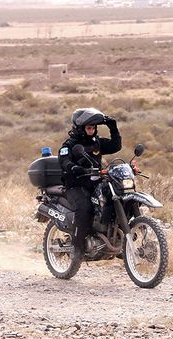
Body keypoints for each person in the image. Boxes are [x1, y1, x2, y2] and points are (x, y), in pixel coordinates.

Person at [58, 107, 121, 252]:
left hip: (96, 183)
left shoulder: (96, 142)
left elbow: (116, 146)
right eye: (89, 127)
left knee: (116, 199)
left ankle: (115, 236)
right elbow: (64, 161)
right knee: (85, 208)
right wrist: (74, 168)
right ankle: (77, 247)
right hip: (76, 185)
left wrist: (113, 128)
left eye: (93, 127)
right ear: (80, 128)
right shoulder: (69, 145)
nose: (92, 130)